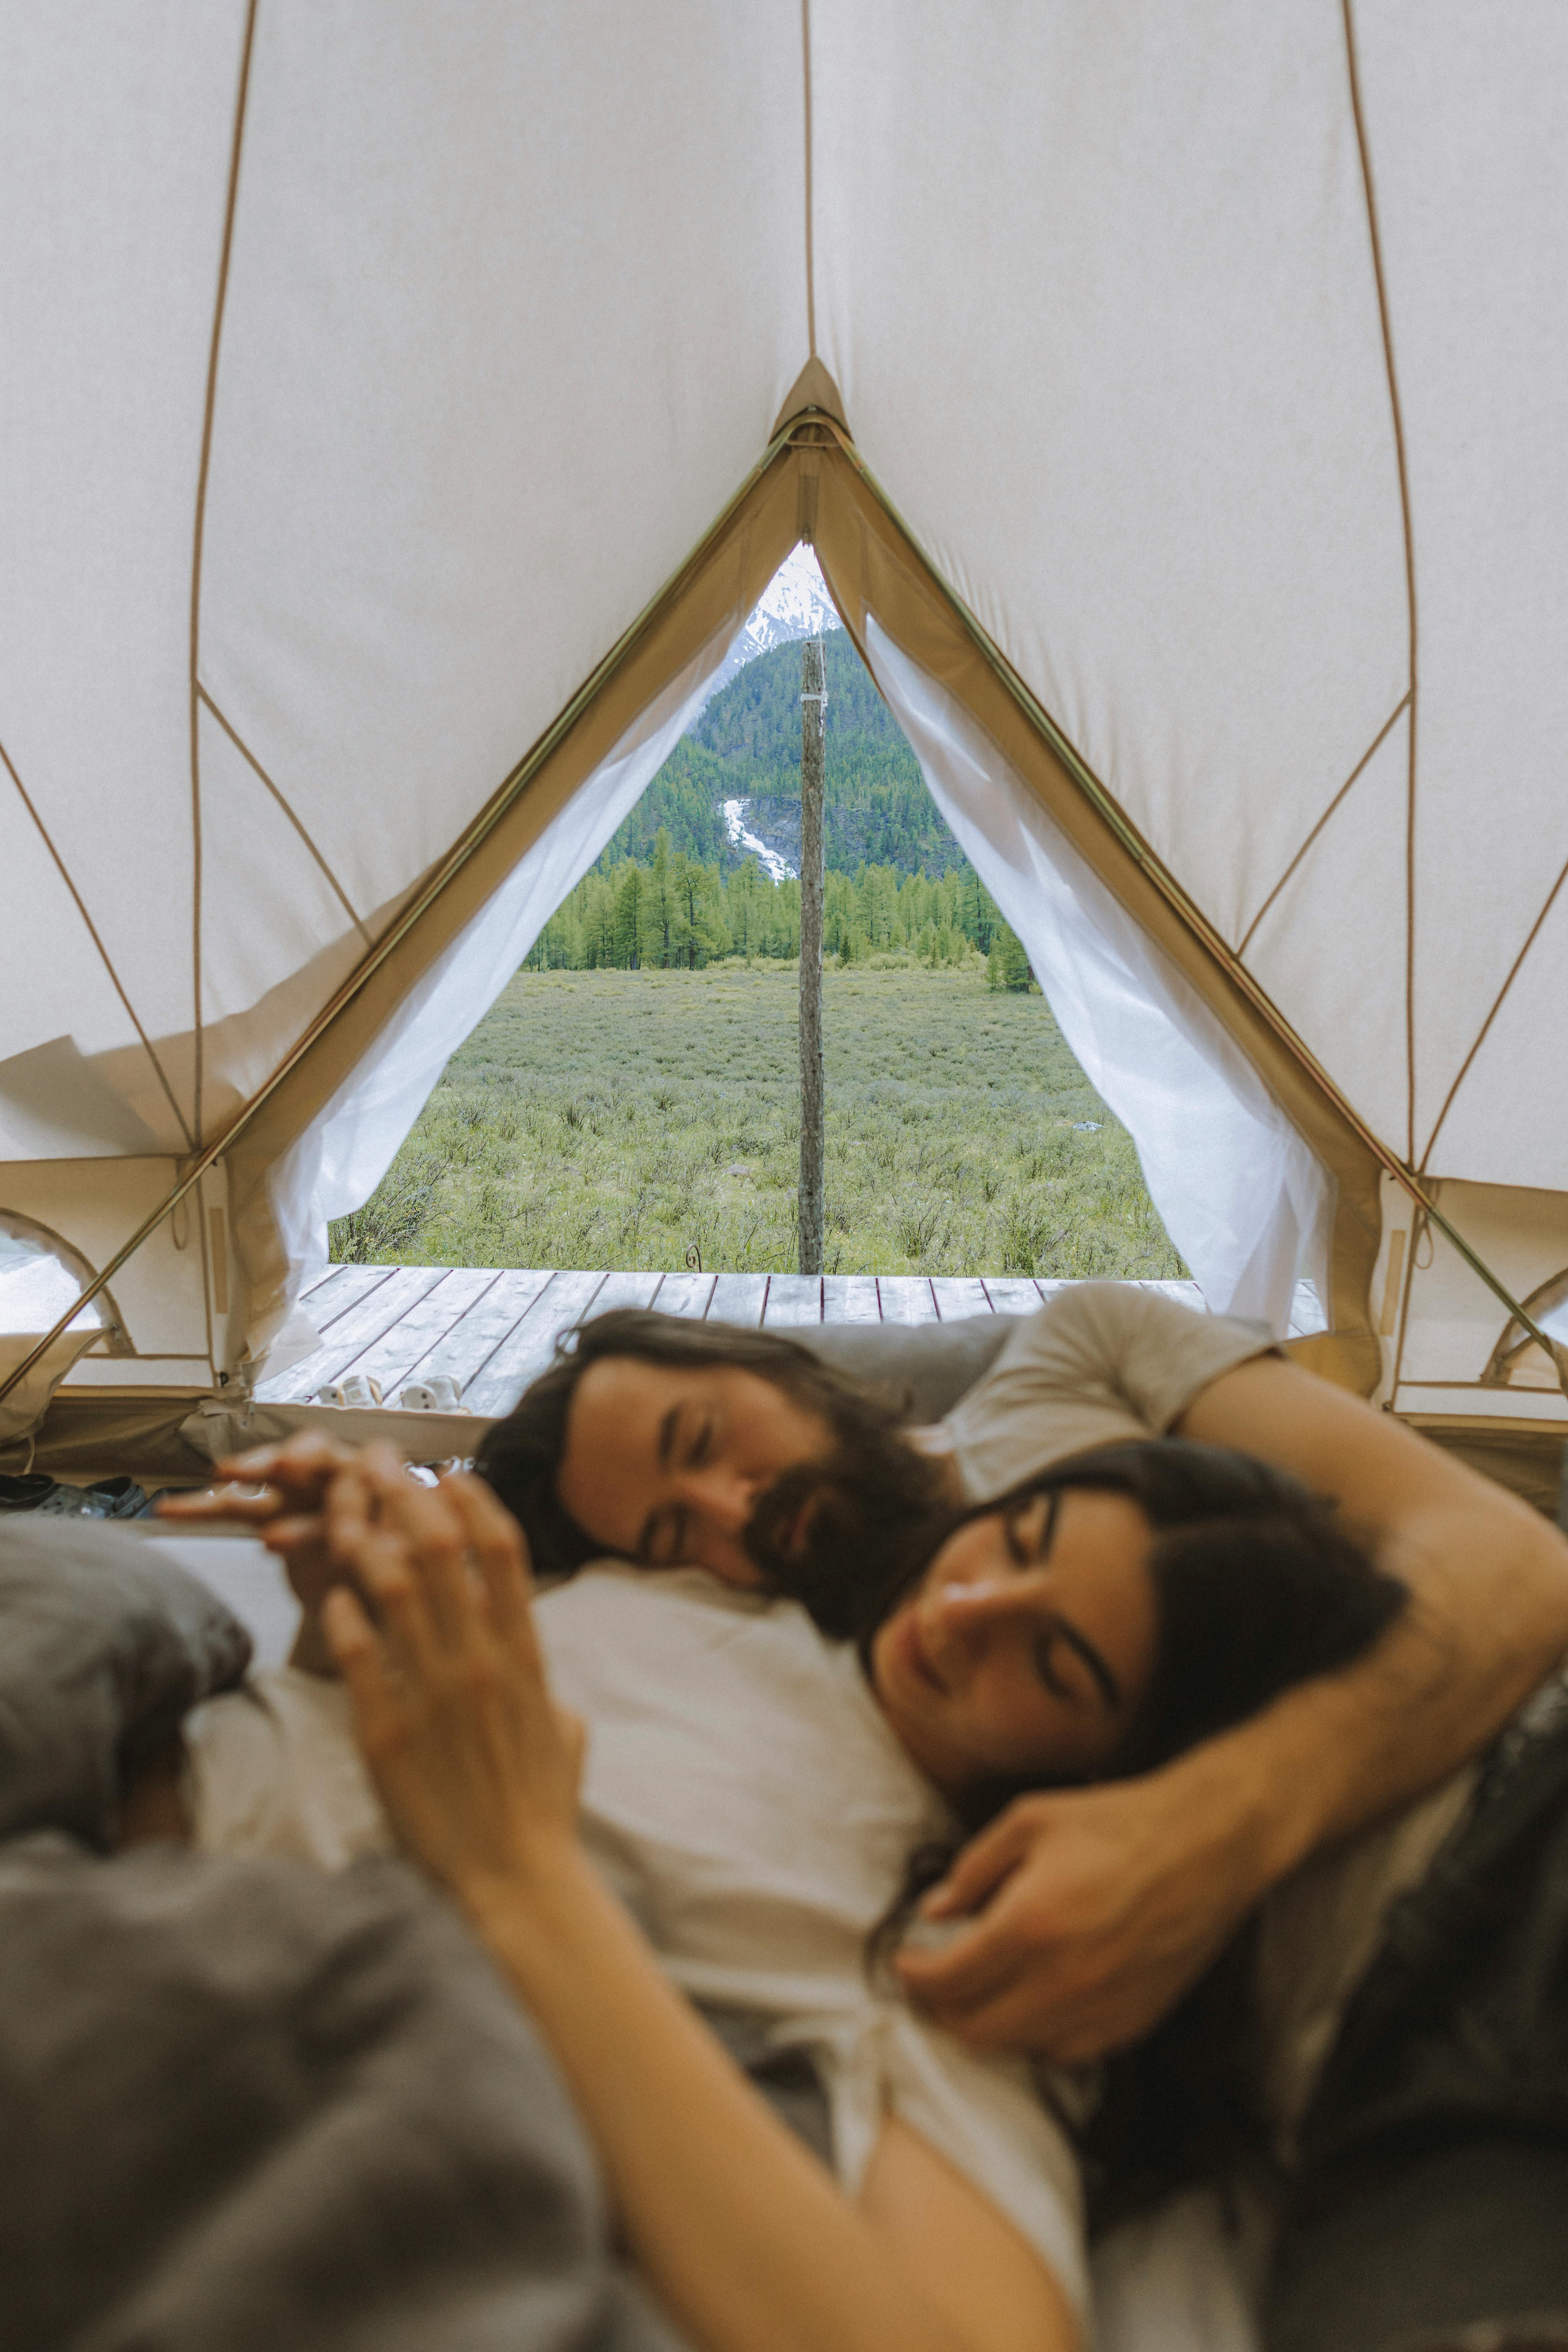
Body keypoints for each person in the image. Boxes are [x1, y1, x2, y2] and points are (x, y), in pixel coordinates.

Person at [177, 1427, 1404, 2352]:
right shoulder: (715, 1596)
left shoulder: (949, 1931)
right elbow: (323, 1744)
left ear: (1120, 1762)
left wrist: (519, 1871)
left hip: (169, 1926)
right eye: (1017, 1543)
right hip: (155, 1723)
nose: (969, 1609)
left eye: (1055, 1662)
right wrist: (345, 1617)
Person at [164, 1284, 1568, 2067]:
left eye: (707, 1437)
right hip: (1387, 2061)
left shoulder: (1074, 1361)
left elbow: (1509, 1561)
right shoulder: (841, 1659)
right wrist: (331, 1592)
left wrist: (1210, 1829)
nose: (731, 1514)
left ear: (770, 1358)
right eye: (671, 1536)